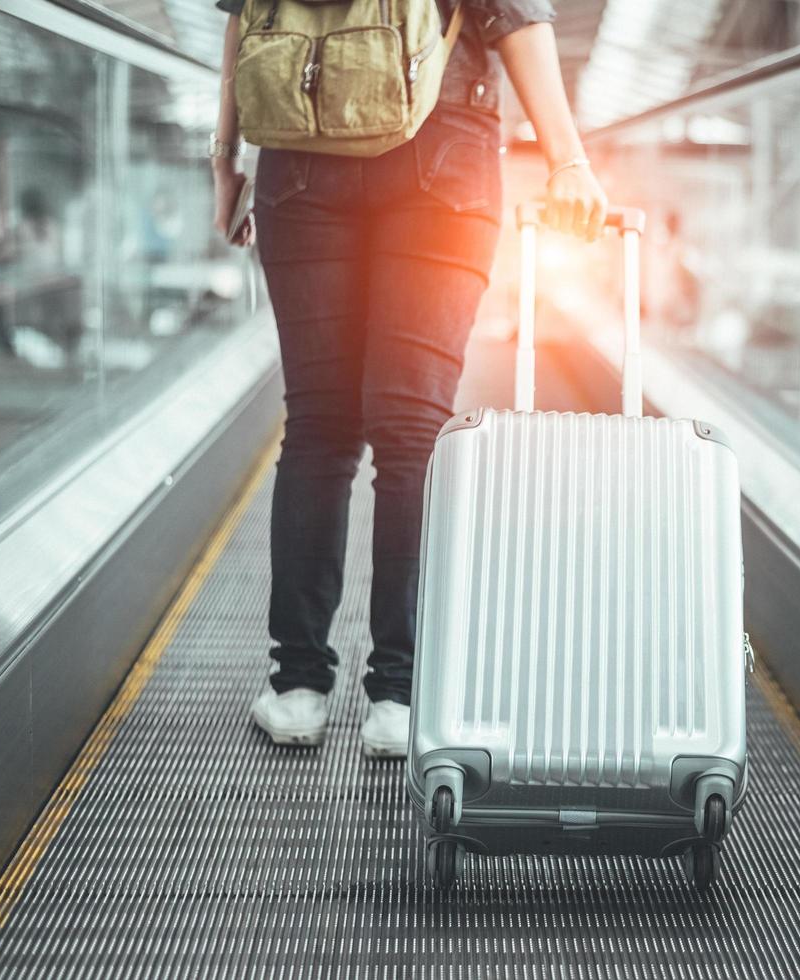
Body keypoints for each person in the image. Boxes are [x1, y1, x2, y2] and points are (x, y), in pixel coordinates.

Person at [209, 0, 607, 755]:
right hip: (441, 146)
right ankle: (398, 694)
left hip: (298, 145)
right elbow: (516, 13)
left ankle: (297, 686)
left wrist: (224, 159)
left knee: (320, 427)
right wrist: (568, 159)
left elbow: (244, 18)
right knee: (411, 431)